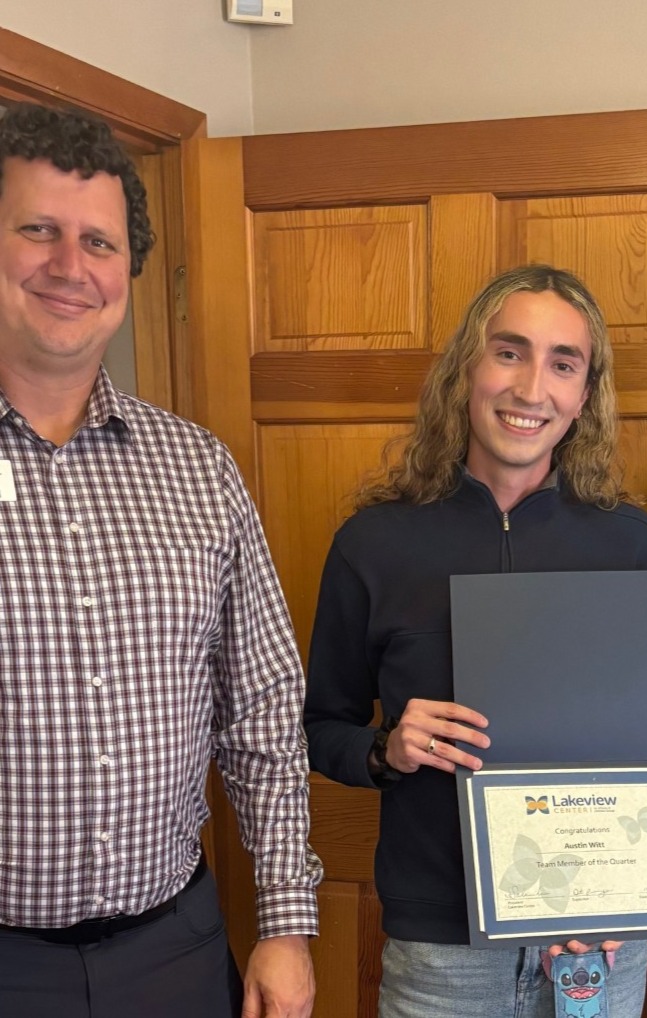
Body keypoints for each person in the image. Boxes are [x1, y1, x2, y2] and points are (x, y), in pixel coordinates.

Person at [0, 103, 322, 1018]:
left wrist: (287, 925)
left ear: (129, 273)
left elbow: (260, 710)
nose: (71, 267)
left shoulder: (198, 470)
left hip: (171, 953)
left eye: (98, 243)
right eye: (38, 231)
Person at [304, 264, 647, 1017]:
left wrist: (640, 897)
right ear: (466, 369)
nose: (531, 388)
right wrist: (384, 749)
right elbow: (319, 727)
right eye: (508, 352)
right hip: (440, 946)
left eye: (562, 364)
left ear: (584, 395)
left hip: (594, 941)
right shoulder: (374, 543)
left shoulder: (630, 545)